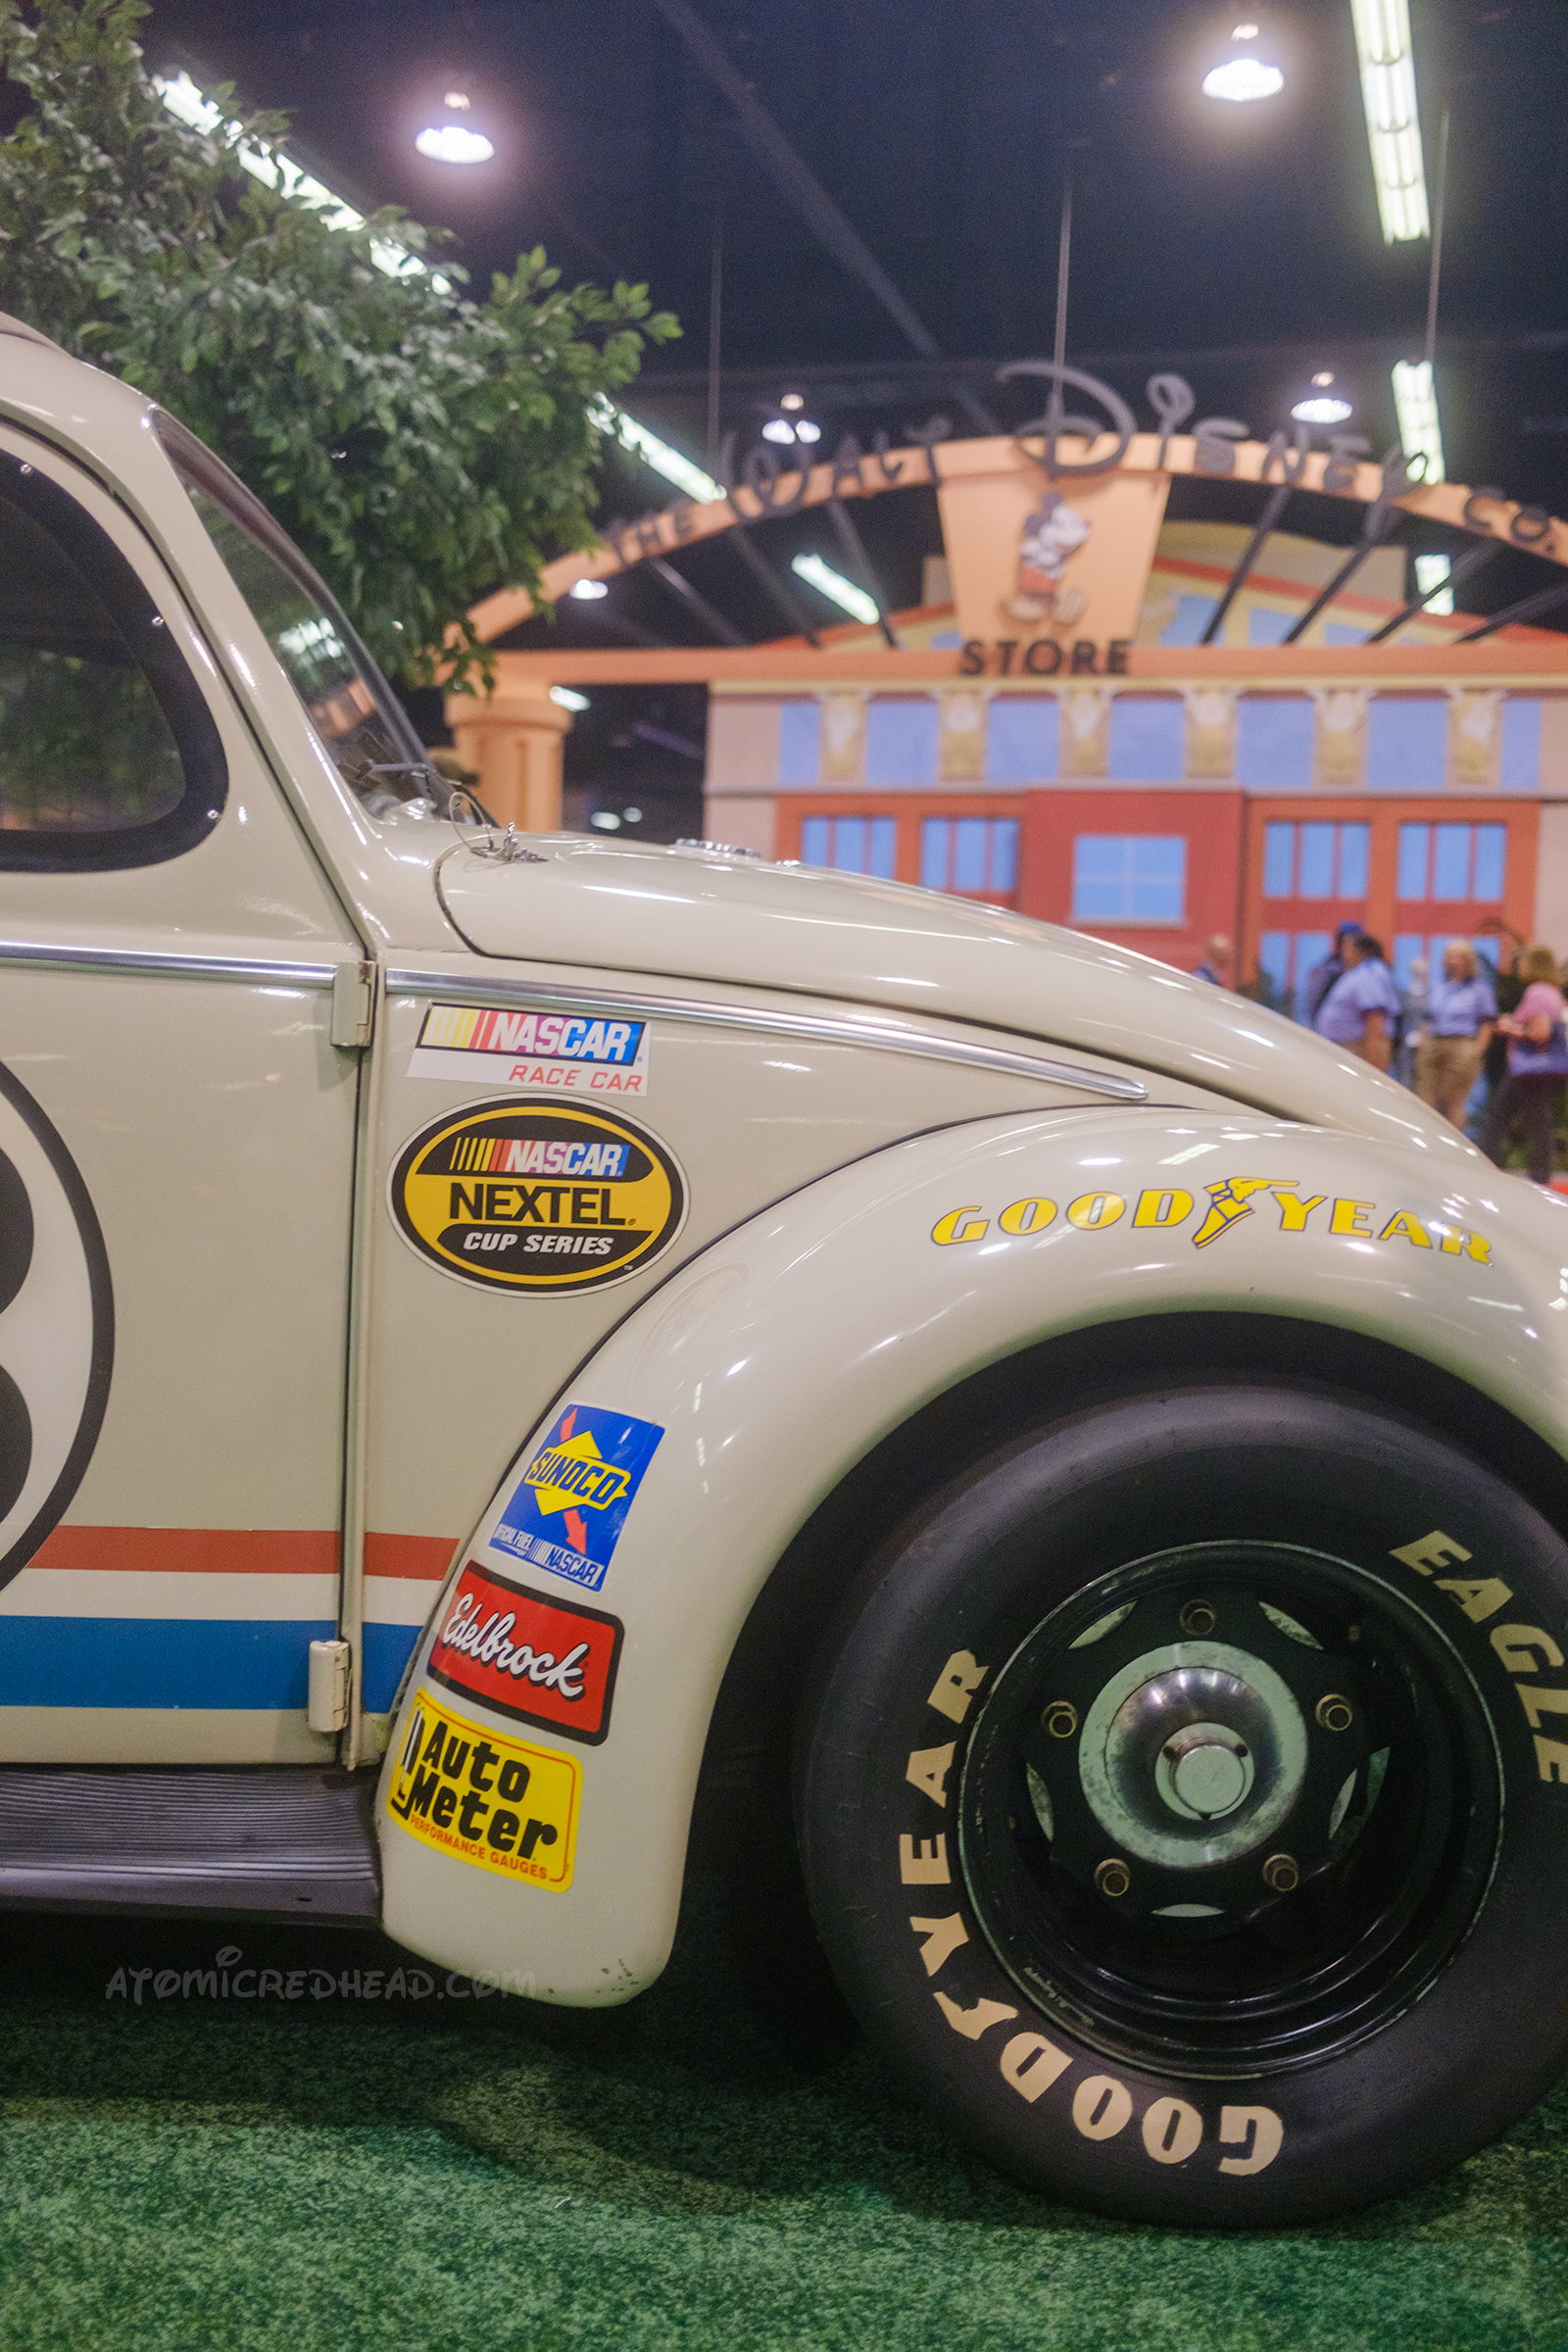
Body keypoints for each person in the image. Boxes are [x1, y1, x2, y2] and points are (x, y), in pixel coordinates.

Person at [1481, 943, 1568, 1185]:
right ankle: (1540, 1177)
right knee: (1536, 1120)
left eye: (1523, 961)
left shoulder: (1537, 992)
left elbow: (1540, 1032)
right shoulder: (1552, 991)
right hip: (1536, 1069)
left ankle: (1485, 1170)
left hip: (1527, 1068)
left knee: (1501, 1118)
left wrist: (1509, 1027)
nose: (1518, 965)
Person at [1415, 941, 1495, 1126]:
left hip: (1462, 1045)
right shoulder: (1439, 987)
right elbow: (1427, 1017)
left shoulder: (1480, 989)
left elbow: (1487, 1023)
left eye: (1458, 957)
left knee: (1453, 1101)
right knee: (1424, 1097)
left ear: (1468, 961)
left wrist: (1478, 1049)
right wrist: (1423, 1040)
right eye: (1450, 956)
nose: (1453, 961)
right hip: (1433, 1043)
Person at [1313, 930, 1401, 1070]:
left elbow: (1374, 1015)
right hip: (1350, 1047)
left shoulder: (1370, 973)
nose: (1342, 953)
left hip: (1359, 1048)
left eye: (1346, 948)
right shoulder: (1357, 972)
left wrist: (1369, 1058)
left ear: (1358, 950)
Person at [1298, 922, 1366, 1028]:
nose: (1349, 947)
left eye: (1354, 943)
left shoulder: (1367, 971)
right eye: (1345, 942)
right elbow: (1312, 1004)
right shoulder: (1323, 969)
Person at [1396, 954, 1428, 1089]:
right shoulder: (1403, 994)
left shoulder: (1431, 994)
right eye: (1416, 971)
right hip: (1405, 1041)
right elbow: (1399, 1018)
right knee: (1405, 1078)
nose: (1418, 974)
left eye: (1422, 972)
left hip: (1425, 1042)